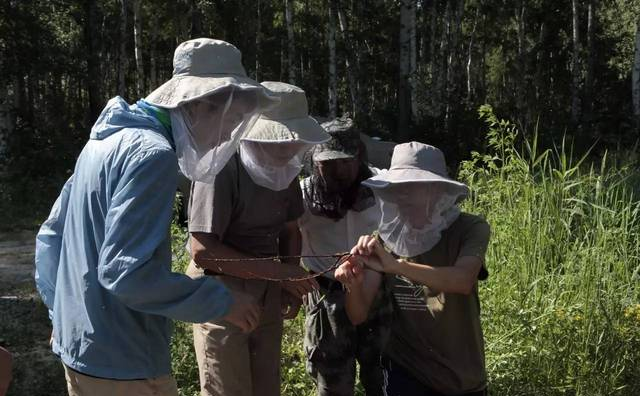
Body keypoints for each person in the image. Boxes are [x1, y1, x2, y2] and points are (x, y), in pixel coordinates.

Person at [34, 38, 277, 396]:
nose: (227, 135)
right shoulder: (153, 155)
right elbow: (126, 273)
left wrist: (62, 314)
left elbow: (50, 238)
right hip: (126, 361)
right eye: (231, 121)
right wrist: (223, 300)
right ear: (203, 106)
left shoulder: (102, 142)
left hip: (81, 351)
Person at [186, 81, 329, 396]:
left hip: (267, 288)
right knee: (228, 388)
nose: (288, 150)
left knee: (266, 385)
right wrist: (282, 273)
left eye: (294, 142)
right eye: (281, 141)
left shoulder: (285, 168)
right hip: (220, 289)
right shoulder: (222, 165)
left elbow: (290, 229)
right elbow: (203, 251)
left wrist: (287, 285)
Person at [335, 142, 491, 396]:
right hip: (407, 371)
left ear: (436, 190)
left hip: (462, 374)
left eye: (410, 188)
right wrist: (351, 284)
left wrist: (396, 265)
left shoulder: (469, 229)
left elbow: (462, 280)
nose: (402, 197)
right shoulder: (387, 239)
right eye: (397, 190)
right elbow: (357, 314)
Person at [298, 117, 392, 396]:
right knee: (333, 384)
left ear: (358, 156)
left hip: (376, 292)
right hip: (327, 297)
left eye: (345, 162)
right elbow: (285, 236)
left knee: (385, 378)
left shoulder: (384, 186)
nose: (337, 171)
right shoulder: (302, 195)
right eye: (328, 163)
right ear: (315, 162)